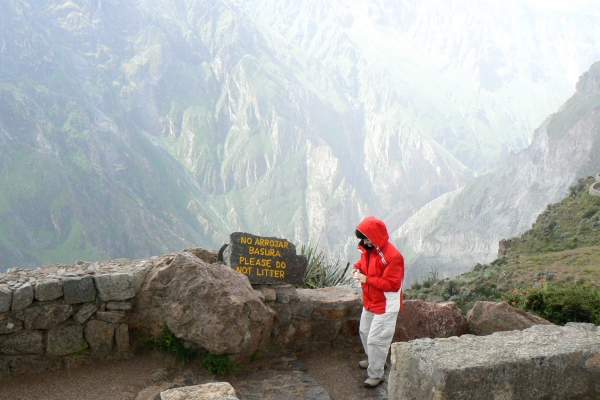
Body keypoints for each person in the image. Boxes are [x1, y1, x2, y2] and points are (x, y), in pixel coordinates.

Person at [352, 216, 404, 388]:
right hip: (370, 300)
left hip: (386, 305)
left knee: (377, 340)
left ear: (375, 237)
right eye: (363, 237)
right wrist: (357, 268)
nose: (364, 240)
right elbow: (364, 263)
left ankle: (376, 373)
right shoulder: (369, 250)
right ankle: (373, 359)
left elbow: (393, 284)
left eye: (366, 237)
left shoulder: (392, 256)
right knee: (364, 332)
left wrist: (366, 279)